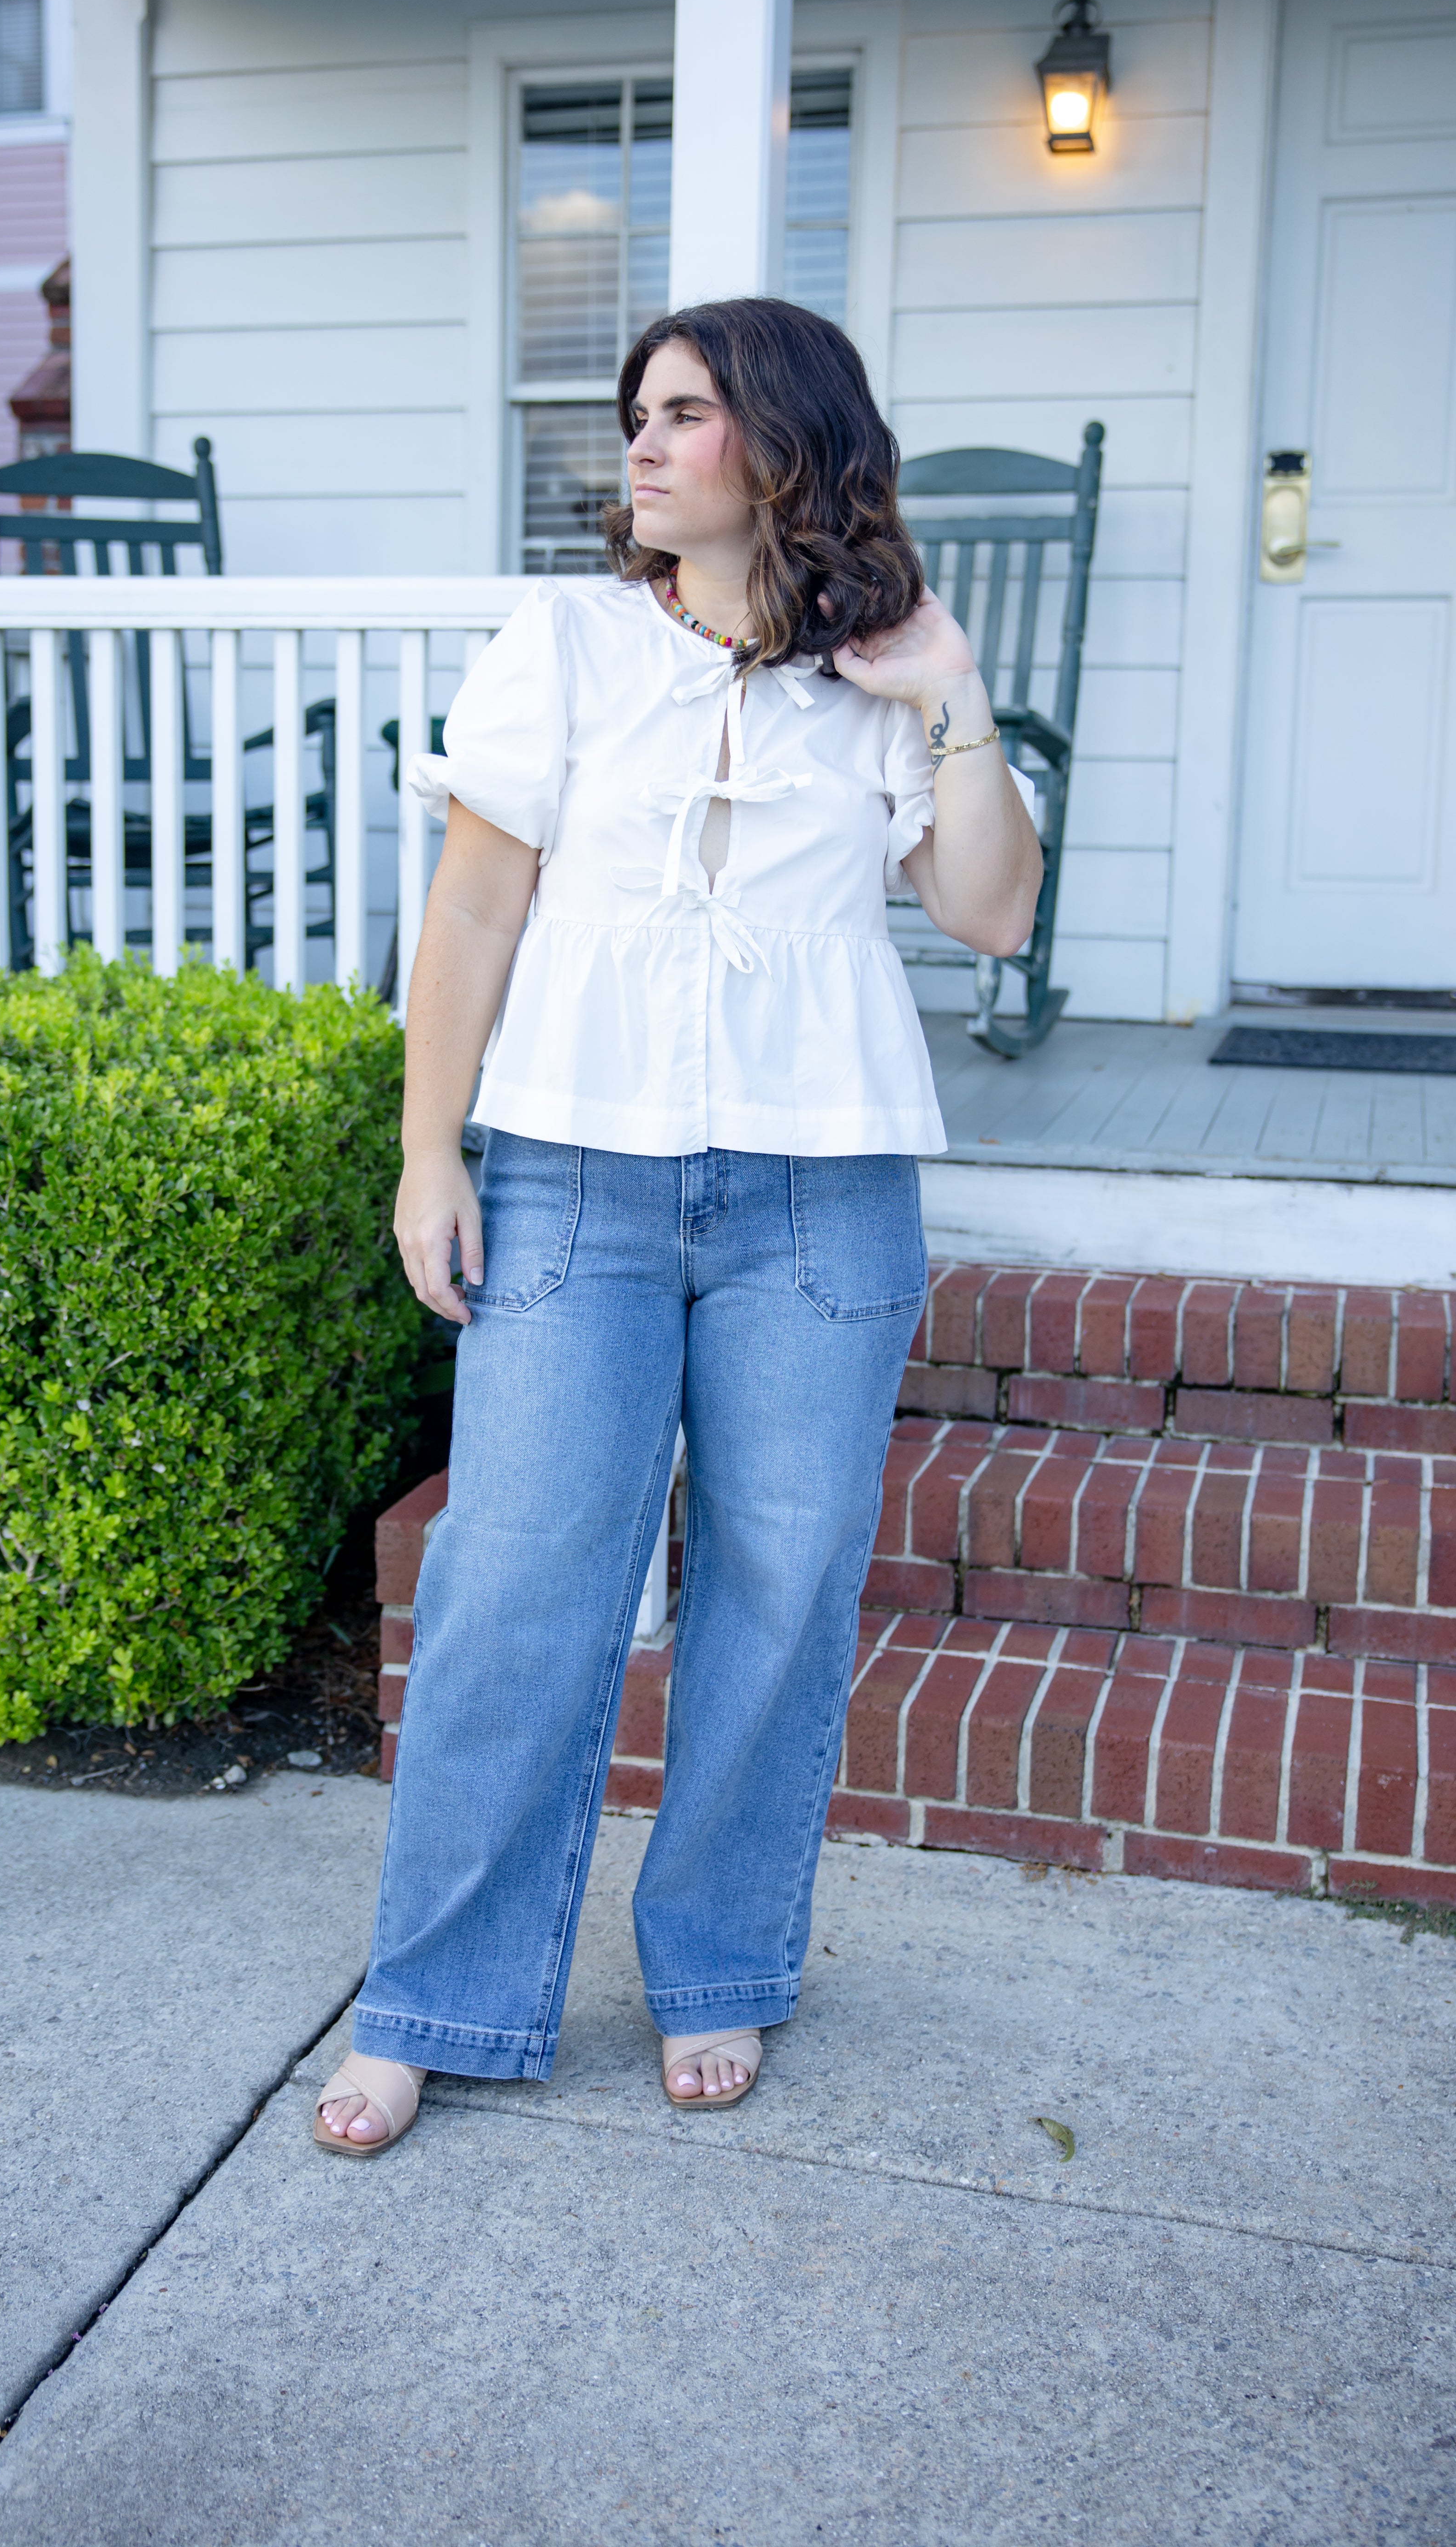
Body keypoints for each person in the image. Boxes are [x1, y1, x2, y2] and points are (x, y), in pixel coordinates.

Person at [315, 297, 1041, 2155]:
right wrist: (431, 1155)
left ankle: (717, 1968)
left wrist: (952, 698)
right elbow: (473, 915)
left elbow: (988, 916)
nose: (638, 445)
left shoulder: (872, 673)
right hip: (574, 1171)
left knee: (778, 1601)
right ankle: (437, 1997)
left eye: (685, 413)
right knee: (514, 1592)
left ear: (780, 445)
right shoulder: (561, 642)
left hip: (821, 1187)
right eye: (635, 415)